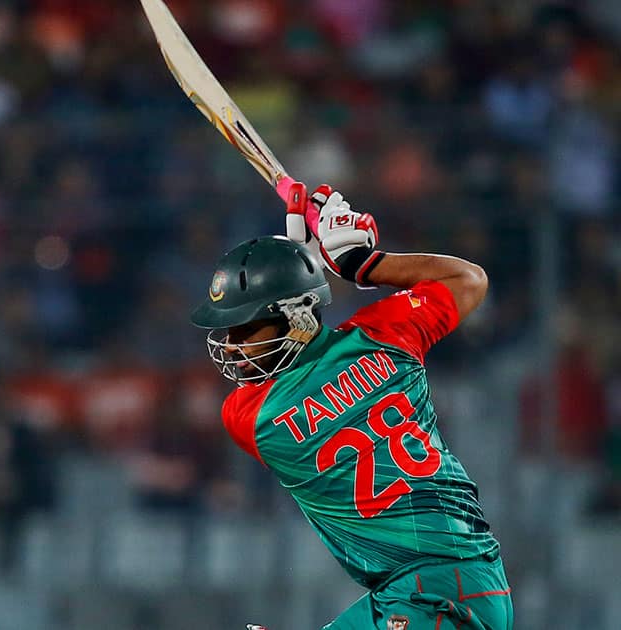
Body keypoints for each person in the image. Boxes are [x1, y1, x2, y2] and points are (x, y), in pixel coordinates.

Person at [191, 184, 512, 630]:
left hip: (431, 592)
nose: (232, 345)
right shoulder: (386, 334)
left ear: (295, 317)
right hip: (442, 583)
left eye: (246, 329)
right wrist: (364, 264)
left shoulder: (253, 419)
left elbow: (303, 373)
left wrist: (305, 264)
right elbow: (468, 280)